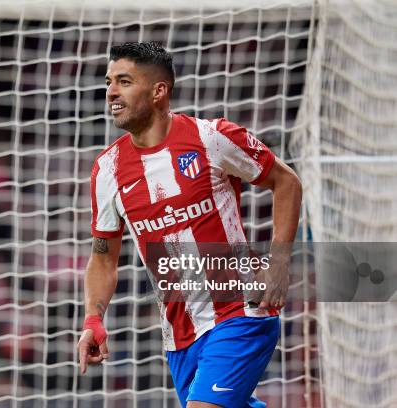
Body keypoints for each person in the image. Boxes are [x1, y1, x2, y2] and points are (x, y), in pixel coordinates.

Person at [77, 42, 302, 408]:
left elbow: (286, 181)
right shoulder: (108, 170)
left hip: (240, 310)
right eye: (108, 82)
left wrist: (278, 263)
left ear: (158, 91)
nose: (111, 92)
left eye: (124, 81)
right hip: (180, 333)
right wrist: (93, 319)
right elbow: (103, 258)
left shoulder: (211, 138)